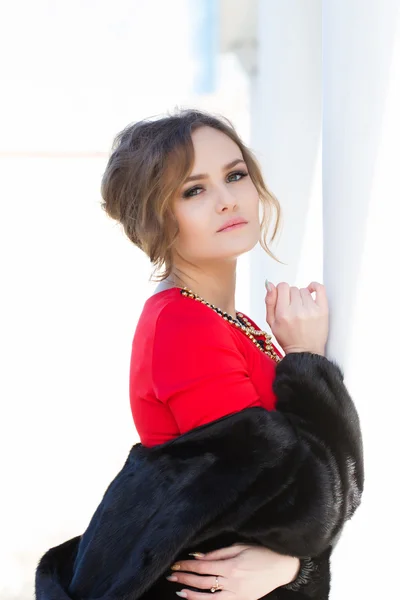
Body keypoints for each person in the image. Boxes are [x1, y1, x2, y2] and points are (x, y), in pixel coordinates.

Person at [35, 110, 364, 600]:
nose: (227, 200)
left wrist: (291, 569)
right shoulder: (182, 326)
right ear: (155, 219)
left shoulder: (235, 324)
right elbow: (302, 509)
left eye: (235, 175)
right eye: (195, 190)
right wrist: (306, 362)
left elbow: (290, 510)